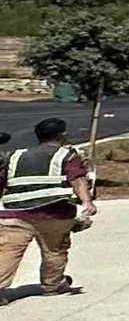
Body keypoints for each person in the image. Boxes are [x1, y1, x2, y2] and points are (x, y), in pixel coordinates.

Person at [1, 118, 95, 295]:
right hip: (54, 213)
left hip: (15, 214)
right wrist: (87, 203)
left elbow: (2, 181)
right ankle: (53, 285)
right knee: (55, 250)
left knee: (7, 252)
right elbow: (77, 179)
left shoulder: (15, 155)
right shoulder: (67, 155)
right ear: (62, 134)